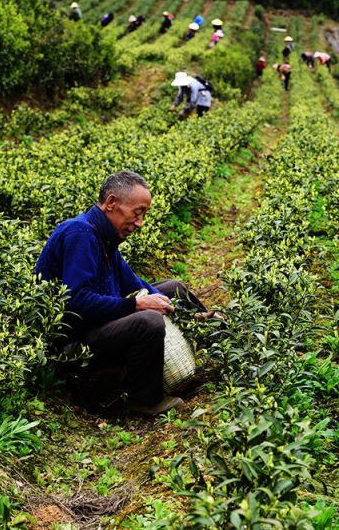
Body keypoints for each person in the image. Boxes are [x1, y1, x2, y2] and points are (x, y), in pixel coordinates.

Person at [35, 172, 215, 416]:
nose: (140, 223)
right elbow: (76, 300)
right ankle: (144, 399)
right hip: (75, 342)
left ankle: (210, 344)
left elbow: (136, 284)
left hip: (98, 324)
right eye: (137, 212)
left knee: (173, 288)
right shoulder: (80, 234)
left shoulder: (106, 238)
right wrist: (136, 305)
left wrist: (184, 314)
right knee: (148, 321)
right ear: (111, 203)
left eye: (144, 215)